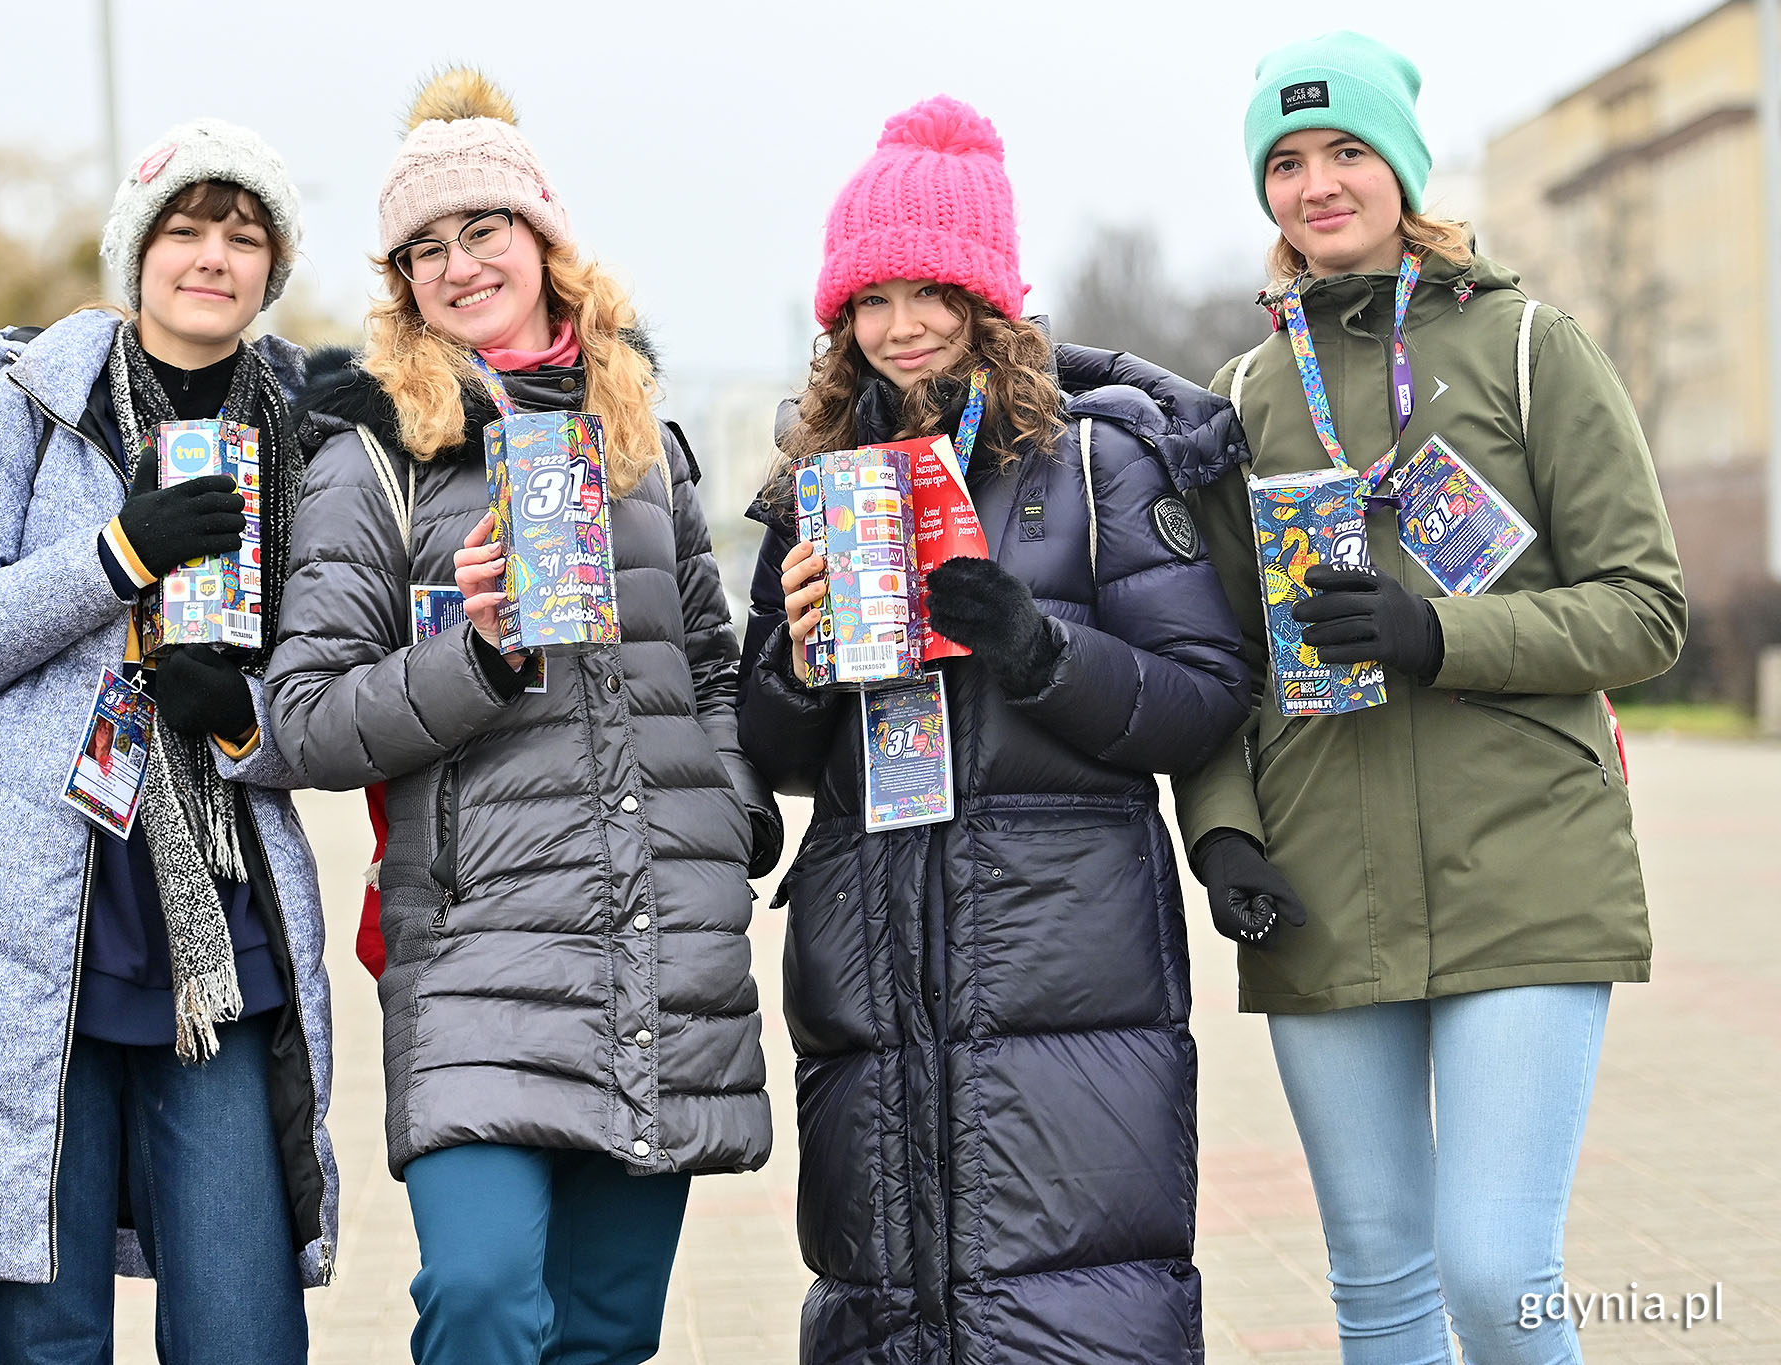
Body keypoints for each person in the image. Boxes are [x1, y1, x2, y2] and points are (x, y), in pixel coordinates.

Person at [1174, 32, 1687, 1364]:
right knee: (1379, 1280)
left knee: (1494, 1268)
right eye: (1285, 162)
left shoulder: (1527, 347)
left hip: (1526, 867)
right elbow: (1221, 659)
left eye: (1346, 150)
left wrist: (1436, 634)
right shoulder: (1240, 398)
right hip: (1321, 888)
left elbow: (1646, 609)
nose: (1317, 184)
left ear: (1401, 165)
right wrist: (1222, 833)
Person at [0, 119, 337, 1364]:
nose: (213, 256)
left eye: (243, 236)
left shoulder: (304, 437)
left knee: (244, 1332)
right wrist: (117, 556)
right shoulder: (35, 406)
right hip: (31, 920)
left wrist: (246, 715)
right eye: (187, 230)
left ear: (271, 272)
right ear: (137, 252)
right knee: (49, 1338)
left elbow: (330, 675)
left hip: (214, 924)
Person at [264, 69, 777, 1365]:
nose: (459, 264)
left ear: (543, 238)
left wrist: (727, 807)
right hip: (480, 948)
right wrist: (477, 654)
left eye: (481, 229)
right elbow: (308, 720)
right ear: (402, 286)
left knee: (606, 1331)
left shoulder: (640, 436)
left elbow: (708, 665)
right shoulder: (370, 459)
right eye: (425, 250)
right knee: (485, 1297)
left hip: (657, 943)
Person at [737, 95, 1252, 1363]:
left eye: (929, 292)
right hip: (869, 967)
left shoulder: (1093, 466)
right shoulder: (815, 485)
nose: (900, 326)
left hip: (1063, 960)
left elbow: (1198, 696)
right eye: (871, 299)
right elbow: (773, 750)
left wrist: (1038, 649)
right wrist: (798, 669)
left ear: (985, 300)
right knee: (891, 1305)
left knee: (1072, 1301)